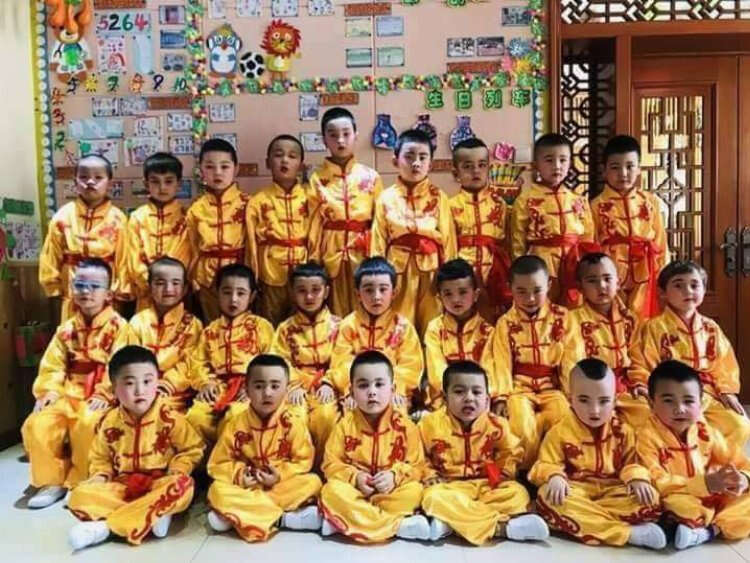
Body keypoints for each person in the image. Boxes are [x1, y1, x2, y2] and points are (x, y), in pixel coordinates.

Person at [21, 258, 134, 508]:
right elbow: (53, 365)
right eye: (80, 285)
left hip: (100, 394)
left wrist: (106, 393)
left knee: (88, 422)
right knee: (40, 422)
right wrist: (50, 391)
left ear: (108, 293)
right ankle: (51, 481)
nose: (86, 292)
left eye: (94, 286)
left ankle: (82, 480)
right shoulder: (66, 328)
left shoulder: (120, 327)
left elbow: (121, 365)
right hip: (68, 392)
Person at [66, 346, 204, 549]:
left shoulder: (170, 418)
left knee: (182, 485)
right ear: (114, 388)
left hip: (159, 483)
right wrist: (101, 475)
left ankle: (105, 527)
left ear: (157, 381)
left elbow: (192, 449)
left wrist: (178, 469)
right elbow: (100, 457)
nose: (140, 390)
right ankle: (154, 514)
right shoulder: (108, 421)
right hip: (123, 487)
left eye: (147, 381)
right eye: (130, 383)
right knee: (79, 495)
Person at [530, 358, 665, 549]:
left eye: (604, 401)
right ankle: (627, 533)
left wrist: (637, 478)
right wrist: (554, 476)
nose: (594, 410)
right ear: (570, 399)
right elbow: (545, 464)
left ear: (615, 400)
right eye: (584, 400)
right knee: (547, 497)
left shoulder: (623, 431)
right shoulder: (559, 432)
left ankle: (587, 521)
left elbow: (634, 462)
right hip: (576, 491)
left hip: (613, 493)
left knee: (652, 500)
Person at [420, 361, 549, 545]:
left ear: (487, 400)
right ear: (445, 398)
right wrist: (430, 475)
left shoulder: (497, 425)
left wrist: (503, 472)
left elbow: (511, 451)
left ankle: (453, 523)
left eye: (477, 392)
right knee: (432, 497)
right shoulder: (428, 425)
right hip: (450, 487)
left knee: (518, 494)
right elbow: (420, 457)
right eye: (459, 392)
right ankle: (502, 528)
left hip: (487, 487)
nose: (469, 398)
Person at [629, 260, 750, 446]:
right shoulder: (653, 327)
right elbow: (641, 362)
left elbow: (725, 364)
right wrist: (644, 385)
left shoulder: (710, 327)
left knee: (739, 425)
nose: (688, 291)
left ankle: (708, 458)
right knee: (669, 427)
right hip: (670, 392)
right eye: (678, 285)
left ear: (704, 289)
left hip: (705, 393)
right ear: (662, 293)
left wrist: (726, 391)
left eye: (694, 285)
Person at [206, 354, 323, 541]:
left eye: (275, 386)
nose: (267, 393)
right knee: (216, 489)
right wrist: (240, 475)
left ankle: (238, 516)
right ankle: (283, 519)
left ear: (286, 389)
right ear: (247, 390)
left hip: (279, 485)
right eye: (259, 386)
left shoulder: (293, 423)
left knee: (313, 482)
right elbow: (218, 463)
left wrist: (279, 475)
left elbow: (303, 461)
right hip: (248, 486)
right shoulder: (236, 423)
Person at [636, 360, 750, 550]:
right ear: (651, 403)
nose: (679, 409)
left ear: (701, 403)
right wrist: (703, 484)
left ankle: (708, 531)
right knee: (675, 505)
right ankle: (700, 526)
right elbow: (655, 480)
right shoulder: (646, 436)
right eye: (668, 400)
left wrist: (742, 479)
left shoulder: (705, 431)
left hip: (712, 493)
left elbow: (739, 461)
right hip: (678, 495)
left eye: (688, 401)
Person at [319, 351, 430, 542]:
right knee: (331, 490)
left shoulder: (406, 427)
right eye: (363, 385)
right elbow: (330, 464)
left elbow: (417, 467)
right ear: (351, 391)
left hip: (391, 493)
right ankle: (395, 525)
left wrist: (394, 476)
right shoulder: (344, 426)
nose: (372, 392)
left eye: (379, 384)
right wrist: (355, 477)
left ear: (392, 389)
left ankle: (348, 521)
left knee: (415, 492)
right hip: (356, 492)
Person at [491, 255, 581, 467]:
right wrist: (501, 397)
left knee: (563, 418)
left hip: (553, 389)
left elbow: (572, 358)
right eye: (521, 291)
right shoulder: (505, 323)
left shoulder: (563, 317)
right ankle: (525, 471)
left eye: (537, 290)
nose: (530, 298)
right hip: (519, 390)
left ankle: (554, 469)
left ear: (549, 285)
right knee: (522, 424)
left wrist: (572, 394)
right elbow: (501, 362)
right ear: (510, 288)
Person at [371, 129, 457, 336]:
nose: (416, 163)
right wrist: (378, 277)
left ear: (431, 164)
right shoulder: (386, 198)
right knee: (399, 325)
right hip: (397, 271)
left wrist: (450, 276)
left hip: (432, 270)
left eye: (422, 157)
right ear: (395, 161)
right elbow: (378, 239)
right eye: (409, 157)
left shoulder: (439, 197)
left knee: (432, 324)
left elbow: (448, 239)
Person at [186, 264, 274, 444]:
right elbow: (197, 362)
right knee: (196, 417)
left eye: (241, 293)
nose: (233, 299)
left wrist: (255, 386)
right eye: (226, 292)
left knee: (236, 415)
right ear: (217, 294)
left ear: (252, 297)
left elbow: (271, 362)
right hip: (218, 387)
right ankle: (203, 460)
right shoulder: (210, 330)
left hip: (249, 389)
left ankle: (229, 459)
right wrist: (205, 383)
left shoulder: (262, 326)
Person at [308, 107, 383, 317]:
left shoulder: (371, 176)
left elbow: (379, 221)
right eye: (333, 135)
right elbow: (314, 222)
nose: (340, 140)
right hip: (331, 251)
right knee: (334, 309)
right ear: (324, 140)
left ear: (355, 135)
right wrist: (314, 258)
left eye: (346, 134)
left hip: (363, 250)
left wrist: (377, 255)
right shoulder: (316, 179)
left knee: (366, 305)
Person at [39, 154, 130, 321]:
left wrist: (120, 293)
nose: (90, 182)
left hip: (106, 296)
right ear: (75, 182)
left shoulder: (118, 219)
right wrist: (53, 290)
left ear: (109, 184)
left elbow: (124, 261)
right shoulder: (62, 217)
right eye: (83, 177)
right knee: (72, 334)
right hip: (71, 294)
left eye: (98, 177)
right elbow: (50, 258)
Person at [326, 257, 423, 413]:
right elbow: (341, 363)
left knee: (396, 411)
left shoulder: (403, 327)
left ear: (394, 293)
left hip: (391, 391)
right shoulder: (349, 324)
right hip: (357, 390)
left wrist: (396, 388)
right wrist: (351, 391)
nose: (376, 296)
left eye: (383, 289)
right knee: (345, 412)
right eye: (369, 290)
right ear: (358, 294)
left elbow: (410, 366)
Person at [510, 133, 596, 306]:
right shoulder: (525, 200)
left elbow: (588, 238)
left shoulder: (578, 199)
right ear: (536, 165)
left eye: (563, 160)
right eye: (549, 160)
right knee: (544, 308)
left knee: (574, 309)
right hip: (541, 264)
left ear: (571, 163)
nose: (557, 166)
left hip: (574, 263)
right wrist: (520, 271)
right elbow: (517, 242)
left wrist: (588, 267)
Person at [591, 135, 668, 318]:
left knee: (644, 320)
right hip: (611, 273)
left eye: (630, 166)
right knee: (614, 320)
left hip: (646, 270)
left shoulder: (650, 201)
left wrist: (664, 276)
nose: (623, 173)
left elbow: (661, 242)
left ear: (639, 168)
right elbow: (592, 244)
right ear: (604, 171)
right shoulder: (595, 205)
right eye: (615, 167)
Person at [570, 253, 649, 426]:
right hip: (592, 390)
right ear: (580, 287)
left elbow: (637, 357)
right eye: (592, 281)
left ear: (618, 282)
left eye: (607, 279)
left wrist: (639, 382)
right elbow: (571, 363)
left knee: (646, 415)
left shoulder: (630, 319)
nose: (601, 286)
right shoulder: (572, 320)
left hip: (625, 387)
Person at [271, 262, 341, 448]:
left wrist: (330, 383)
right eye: (302, 290)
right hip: (297, 387)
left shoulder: (339, 326)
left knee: (326, 417)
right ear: (293, 293)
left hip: (327, 385)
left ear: (326, 292)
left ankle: (323, 463)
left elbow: (344, 359)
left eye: (315, 290)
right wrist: (293, 385)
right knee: (296, 417)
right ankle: (299, 461)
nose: (309, 296)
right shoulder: (285, 328)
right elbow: (280, 361)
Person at [247, 135, 312, 325]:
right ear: (268, 163)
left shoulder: (311, 198)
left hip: (304, 271)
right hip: (270, 273)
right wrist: (254, 276)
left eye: (292, 156)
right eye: (278, 155)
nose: (285, 160)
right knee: (270, 322)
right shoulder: (258, 201)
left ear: (301, 165)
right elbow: (251, 244)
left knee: (303, 323)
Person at [129, 257, 203, 413]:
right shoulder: (138, 321)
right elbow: (127, 357)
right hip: (139, 388)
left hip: (174, 393)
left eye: (175, 283)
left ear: (185, 289)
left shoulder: (193, 324)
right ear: (149, 287)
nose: (168, 289)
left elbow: (190, 363)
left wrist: (168, 383)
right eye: (160, 283)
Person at [449, 137, 511, 322]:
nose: (476, 171)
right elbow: (448, 245)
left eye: (482, 165)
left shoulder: (500, 204)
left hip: (495, 273)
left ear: (489, 168)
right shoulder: (449, 205)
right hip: (463, 275)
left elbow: (508, 243)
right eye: (468, 166)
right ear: (456, 173)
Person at [186, 139, 249, 321]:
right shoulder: (196, 209)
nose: (218, 172)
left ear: (236, 169)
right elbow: (192, 247)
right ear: (201, 170)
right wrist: (192, 278)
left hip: (239, 275)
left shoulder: (248, 204)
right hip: (207, 278)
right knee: (212, 324)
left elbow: (253, 245)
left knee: (240, 325)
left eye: (224, 166)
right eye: (210, 167)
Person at [423, 259, 494, 410]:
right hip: (445, 398)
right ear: (439, 298)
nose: (456, 299)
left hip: (477, 398)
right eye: (448, 294)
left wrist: (475, 395)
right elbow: (436, 371)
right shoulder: (435, 329)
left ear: (475, 295)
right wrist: (453, 394)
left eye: (462, 292)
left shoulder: (488, 331)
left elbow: (489, 371)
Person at [126, 152, 191, 312]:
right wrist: (149, 283)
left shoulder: (187, 217)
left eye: (168, 181)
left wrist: (172, 281)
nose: (162, 188)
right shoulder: (137, 217)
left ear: (179, 184)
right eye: (155, 181)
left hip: (176, 290)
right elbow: (132, 256)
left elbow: (186, 254)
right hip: (146, 290)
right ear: (146, 184)